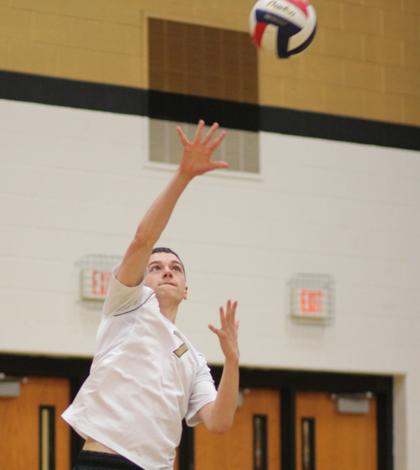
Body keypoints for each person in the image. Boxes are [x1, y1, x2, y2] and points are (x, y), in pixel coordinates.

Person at [62, 120, 240, 470]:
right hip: (105, 461)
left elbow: (219, 422)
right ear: (142, 280)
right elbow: (143, 239)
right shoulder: (127, 305)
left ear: (186, 290)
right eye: (156, 267)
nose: (167, 271)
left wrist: (233, 361)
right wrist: (184, 177)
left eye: (175, 267)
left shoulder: (193, 358)